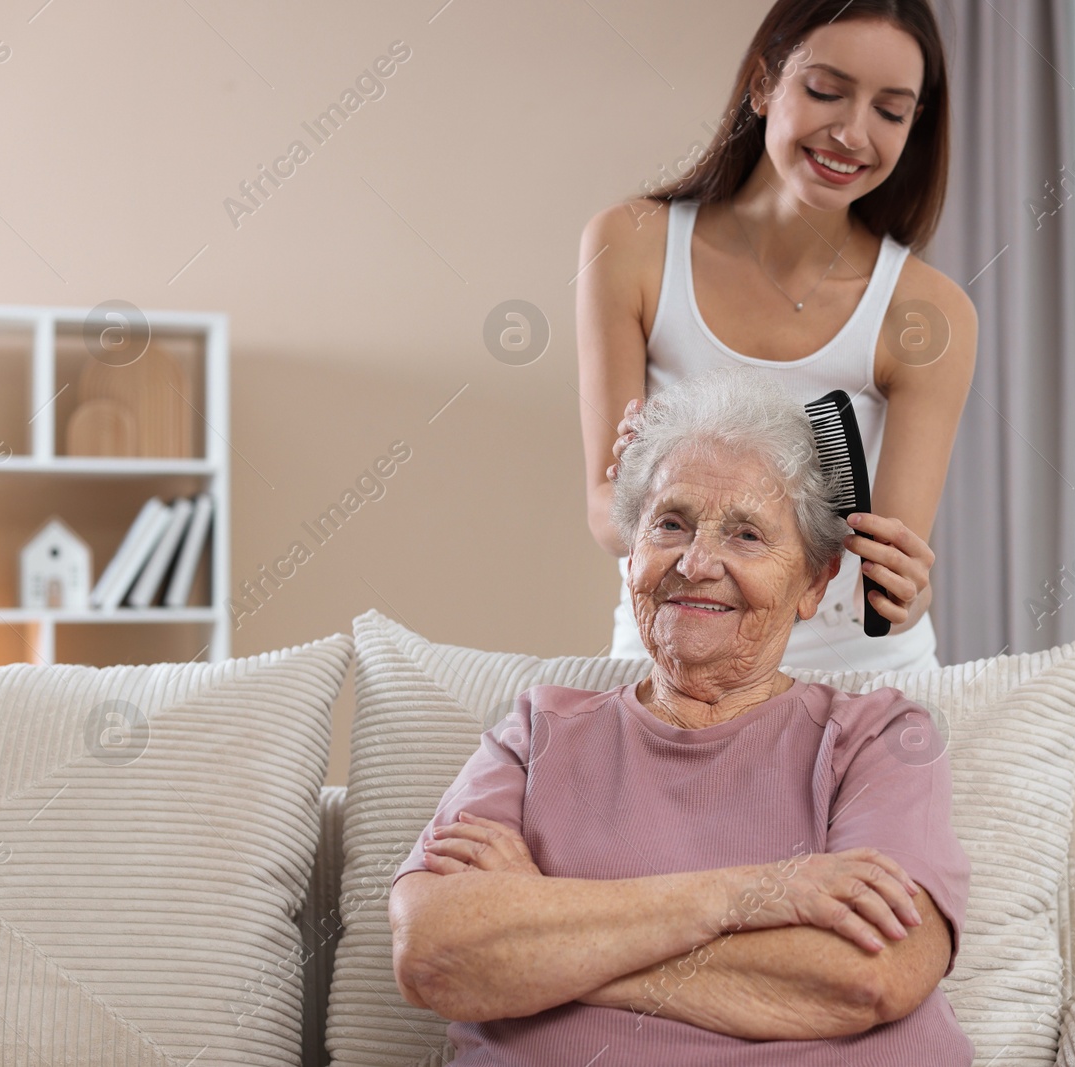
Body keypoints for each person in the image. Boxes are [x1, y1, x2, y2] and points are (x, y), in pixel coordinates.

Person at [390, 369, 972, 1064]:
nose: (696, 562)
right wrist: (761, 892)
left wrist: (549, 940)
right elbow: (434, 954)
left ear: (814, 582)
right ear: (632, 551)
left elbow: (871, 973)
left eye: (748, 535)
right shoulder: (537, 731)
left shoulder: (877, 738)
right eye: (671, 522)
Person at [576, 0, 977, 673]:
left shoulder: (927, 311)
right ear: (763, 84)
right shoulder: (630, 246)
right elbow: (601, 512)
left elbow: (889, 570)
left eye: (890, 111)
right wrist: (642, 498)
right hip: (678, 661)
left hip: (856, 674)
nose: (852, 133)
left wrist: (907, 582)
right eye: (826, 91)